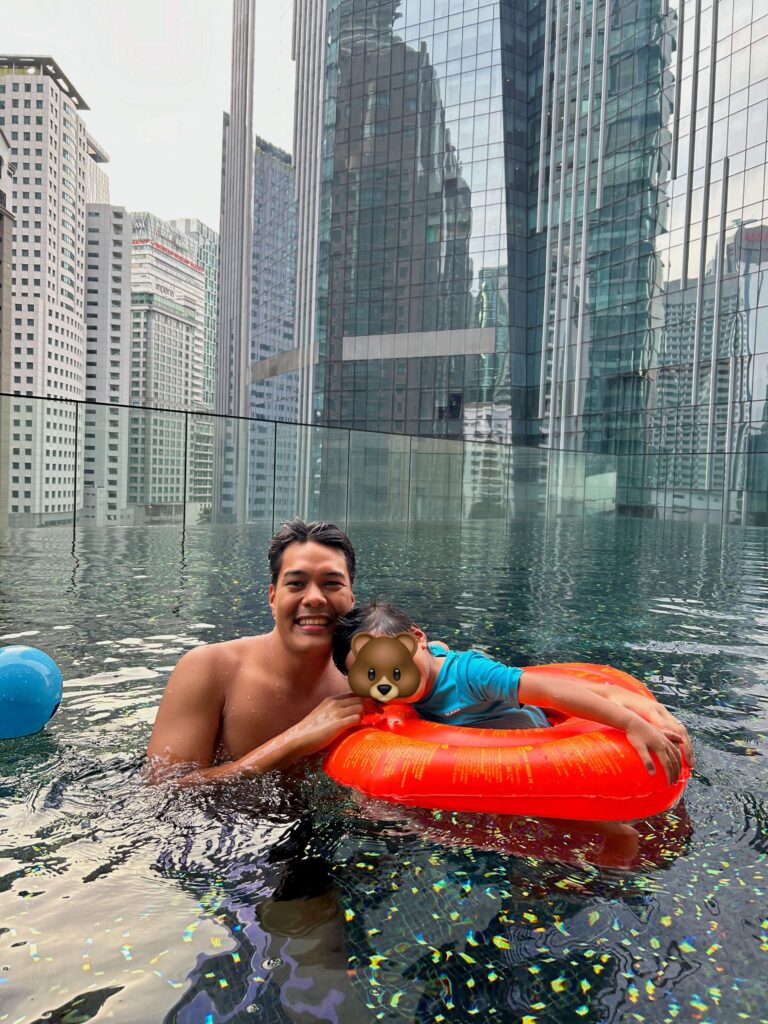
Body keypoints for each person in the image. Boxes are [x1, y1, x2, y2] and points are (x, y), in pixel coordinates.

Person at [332, 601, 693, 783]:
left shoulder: (471, 674)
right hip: (475, 758)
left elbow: (551, 692)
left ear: (418, 638)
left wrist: (631, 722)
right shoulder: (392, 695)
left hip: (538, 745)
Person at [146, 520, 364, 784]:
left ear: (352, 598)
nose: (314, 598)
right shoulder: (210, 668)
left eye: (331, 584)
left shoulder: (364, 682)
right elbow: (162, 789)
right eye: (296, 584)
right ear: (273, 598)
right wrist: (295, 740)